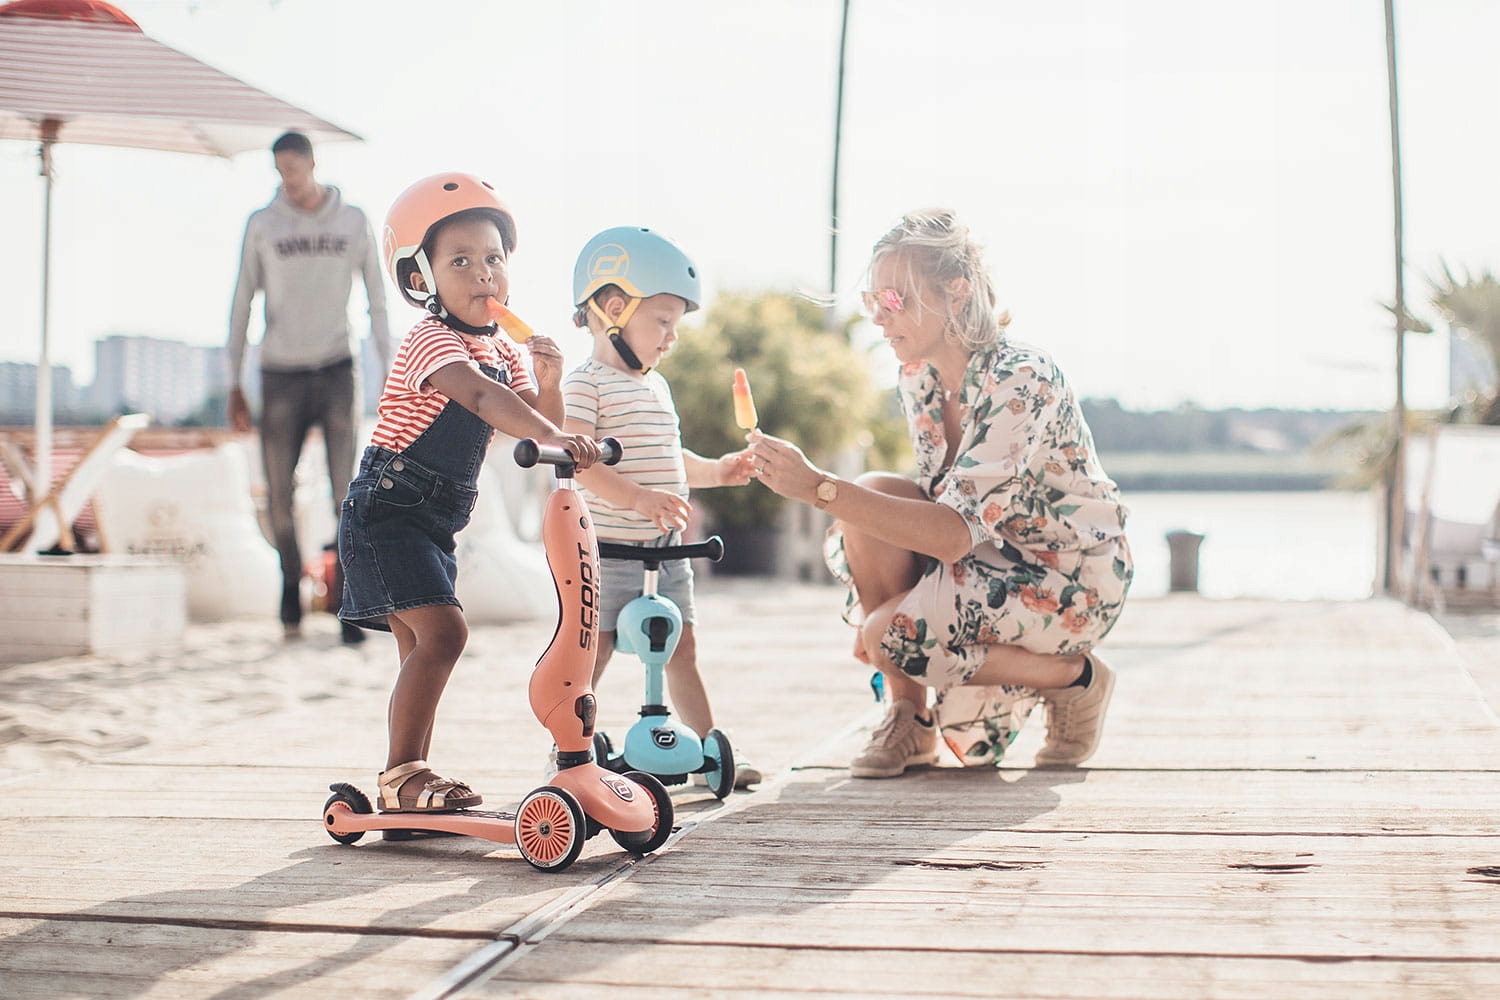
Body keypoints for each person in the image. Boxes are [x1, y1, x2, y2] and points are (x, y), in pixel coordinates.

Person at [747, 209, 1132, 778]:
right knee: (874, 495)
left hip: (1070, 577)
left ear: (956, 293)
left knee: (884, 631)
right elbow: (936, 509)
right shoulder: (918, 376)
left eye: (894, 299)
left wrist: (817, 487)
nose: (879, 317)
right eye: (871, 301)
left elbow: (952, 535)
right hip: (993, 558)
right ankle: (909, 718)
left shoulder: (1023, 377)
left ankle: (1077, 677)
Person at [337, 173, 602, 813]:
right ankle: (403, 776)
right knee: (444, 636)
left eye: (494, 259)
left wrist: (549, 381)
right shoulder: (433, 340)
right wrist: (551, 431)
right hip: (387, 511)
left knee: (420, 648)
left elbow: (537, 418)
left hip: (433, 520)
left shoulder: (500, 348)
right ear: (420, 278)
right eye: (461, 261)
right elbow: (484, 400)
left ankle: (407, 779)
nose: (483, 274)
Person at [561, 226, 762, 788]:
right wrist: (639, 499)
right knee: (592, 654)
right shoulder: (586, 384)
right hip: (610, 554)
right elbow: (579, 463)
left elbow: (670, 457)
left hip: (667, 552)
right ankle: (568, 753)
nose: (671, 337)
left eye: (676, 324)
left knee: (682, 648)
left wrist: (719, 471)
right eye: (663, 321)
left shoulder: (658, 387)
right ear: (613, 308)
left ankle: (710, 750)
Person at [227, 131, 391, 643]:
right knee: (279, 495)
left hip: (338, 368)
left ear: (313, 164)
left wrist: (389, 374)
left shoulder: (353, 220)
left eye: (294, 171)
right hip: (278, 373)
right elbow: (241, 303)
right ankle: (288, 587)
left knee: (346, 492)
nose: (287, 182)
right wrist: (234, 381)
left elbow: (377, 302)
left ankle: (347, 601)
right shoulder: (262, 224)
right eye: (280, 172)